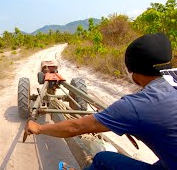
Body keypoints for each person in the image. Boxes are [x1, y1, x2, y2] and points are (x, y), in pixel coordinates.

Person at [25, 33, 177, 170]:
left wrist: (39, 128)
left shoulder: (136, 105)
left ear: (132, 69)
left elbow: (75, 127)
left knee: (103, 159)